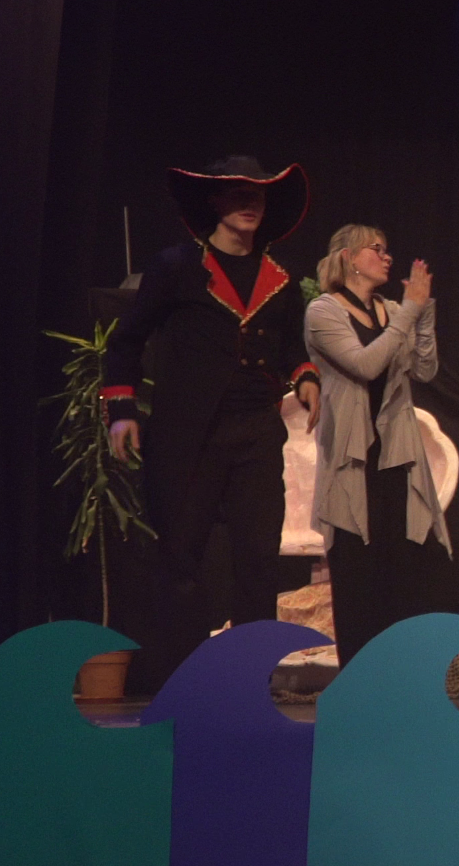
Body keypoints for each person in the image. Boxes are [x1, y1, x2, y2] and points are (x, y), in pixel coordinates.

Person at [104, 156, 319, 690]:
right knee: (181, 558)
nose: (249, 203)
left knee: (258, 559)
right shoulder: (176, 267)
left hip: (255, 431)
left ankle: (249, 682)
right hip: (187, 435)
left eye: (258, 195)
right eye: (238, 193)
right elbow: (127, 340)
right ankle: (183, 682)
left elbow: (292, 346)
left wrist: (305, 376)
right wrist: (122, 411)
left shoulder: (281, 278)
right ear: (215, 202)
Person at [304, 225, 452, 663]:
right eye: (376, 249)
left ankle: (400, 677)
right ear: (349, 257)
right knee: (358, 572)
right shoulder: (323, 310)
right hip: (353, 457)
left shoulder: (393, 310)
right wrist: (411, 312)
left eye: (387, 250)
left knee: (403, 568)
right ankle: (358, 682)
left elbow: (424, 369)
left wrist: (423, 314)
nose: (387, 257)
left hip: (397, 453)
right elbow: (365, 364)